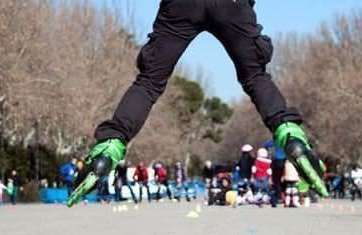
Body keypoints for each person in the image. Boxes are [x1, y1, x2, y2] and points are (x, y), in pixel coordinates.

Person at [68, 0, 328, 206]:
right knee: (256, 76)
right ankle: (290, 134)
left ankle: (109, 147)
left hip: (180, 6)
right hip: (233, 6)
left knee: (148, 82)